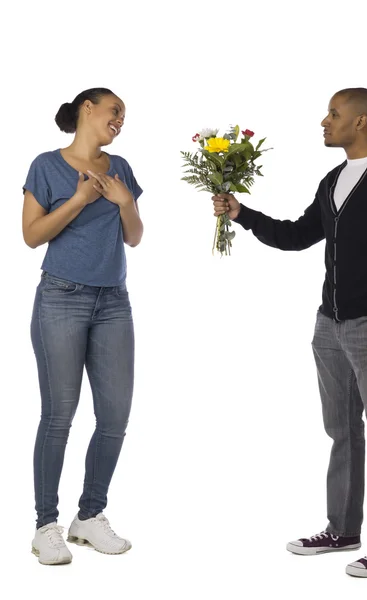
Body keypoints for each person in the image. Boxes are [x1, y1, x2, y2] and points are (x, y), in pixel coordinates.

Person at [212, 88, 367, 578]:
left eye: (334, 114)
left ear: (361, 121)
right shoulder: (332, 178)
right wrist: (241, 214)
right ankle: (343, 528)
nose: (324, 121)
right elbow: (296, 235)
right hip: (327, 325)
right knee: (342, 431)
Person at [22, 87, 144, 565]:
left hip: (114, 302)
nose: (120, 120)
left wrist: (123, 200)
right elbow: (31, 236)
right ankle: (45, 525)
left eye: (124, 116)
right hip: (61, 299)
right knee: (59, 416)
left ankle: (89, 517)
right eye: (115, 111)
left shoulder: (122, 168)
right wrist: (77, 199)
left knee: (114, 417)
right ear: (87, 109)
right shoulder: (46, 165)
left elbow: (134, 237)